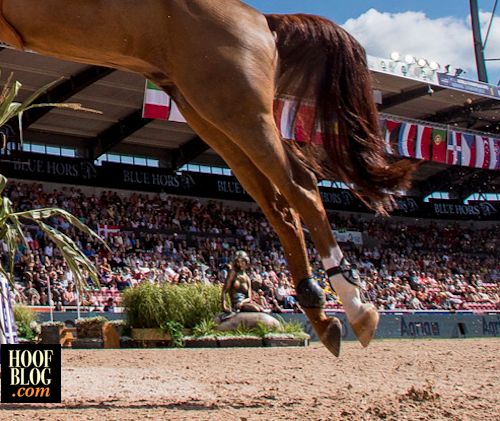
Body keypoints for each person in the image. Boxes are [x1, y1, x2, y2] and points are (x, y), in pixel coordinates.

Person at [221, 250, 265, 315]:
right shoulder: (233, 273)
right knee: (256, 309)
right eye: (238, 262)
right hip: (236, 303)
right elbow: (224, 291)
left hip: (244, 302)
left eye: (242, 261)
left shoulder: (247, 278)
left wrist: (242, 302)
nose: (240, 264)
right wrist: (224, 307)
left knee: (261, 309)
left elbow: (249, 297)